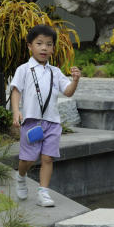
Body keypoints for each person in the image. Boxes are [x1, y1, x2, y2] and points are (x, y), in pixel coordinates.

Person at [9, 24, 81, 207]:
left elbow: (68, 92)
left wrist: (75, 80)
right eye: (39, 43)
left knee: (48, 158)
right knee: (28, 159)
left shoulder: (55, 72)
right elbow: (16, 91)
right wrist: (16, 112)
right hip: (31, 122)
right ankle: (21, 176)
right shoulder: (24, 69)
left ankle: (43, 192)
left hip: (52, 122)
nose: (44, 48)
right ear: (30, 46)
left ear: (53, 48)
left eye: (48, 44)